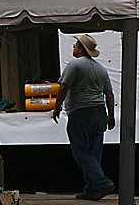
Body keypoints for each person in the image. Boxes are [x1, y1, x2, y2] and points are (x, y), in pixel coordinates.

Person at [52, 34, 116, 201]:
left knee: (81, 151)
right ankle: (92, 190)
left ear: (80, 48)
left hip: (80, 112)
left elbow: (64, 87)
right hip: (99, 112)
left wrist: (57, 106)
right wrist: (111, 115)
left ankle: (102, 183)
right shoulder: (101, 69)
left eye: (75, 45)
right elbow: (109, 93)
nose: (73, 48)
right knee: (94, 151)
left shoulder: (75, 64)